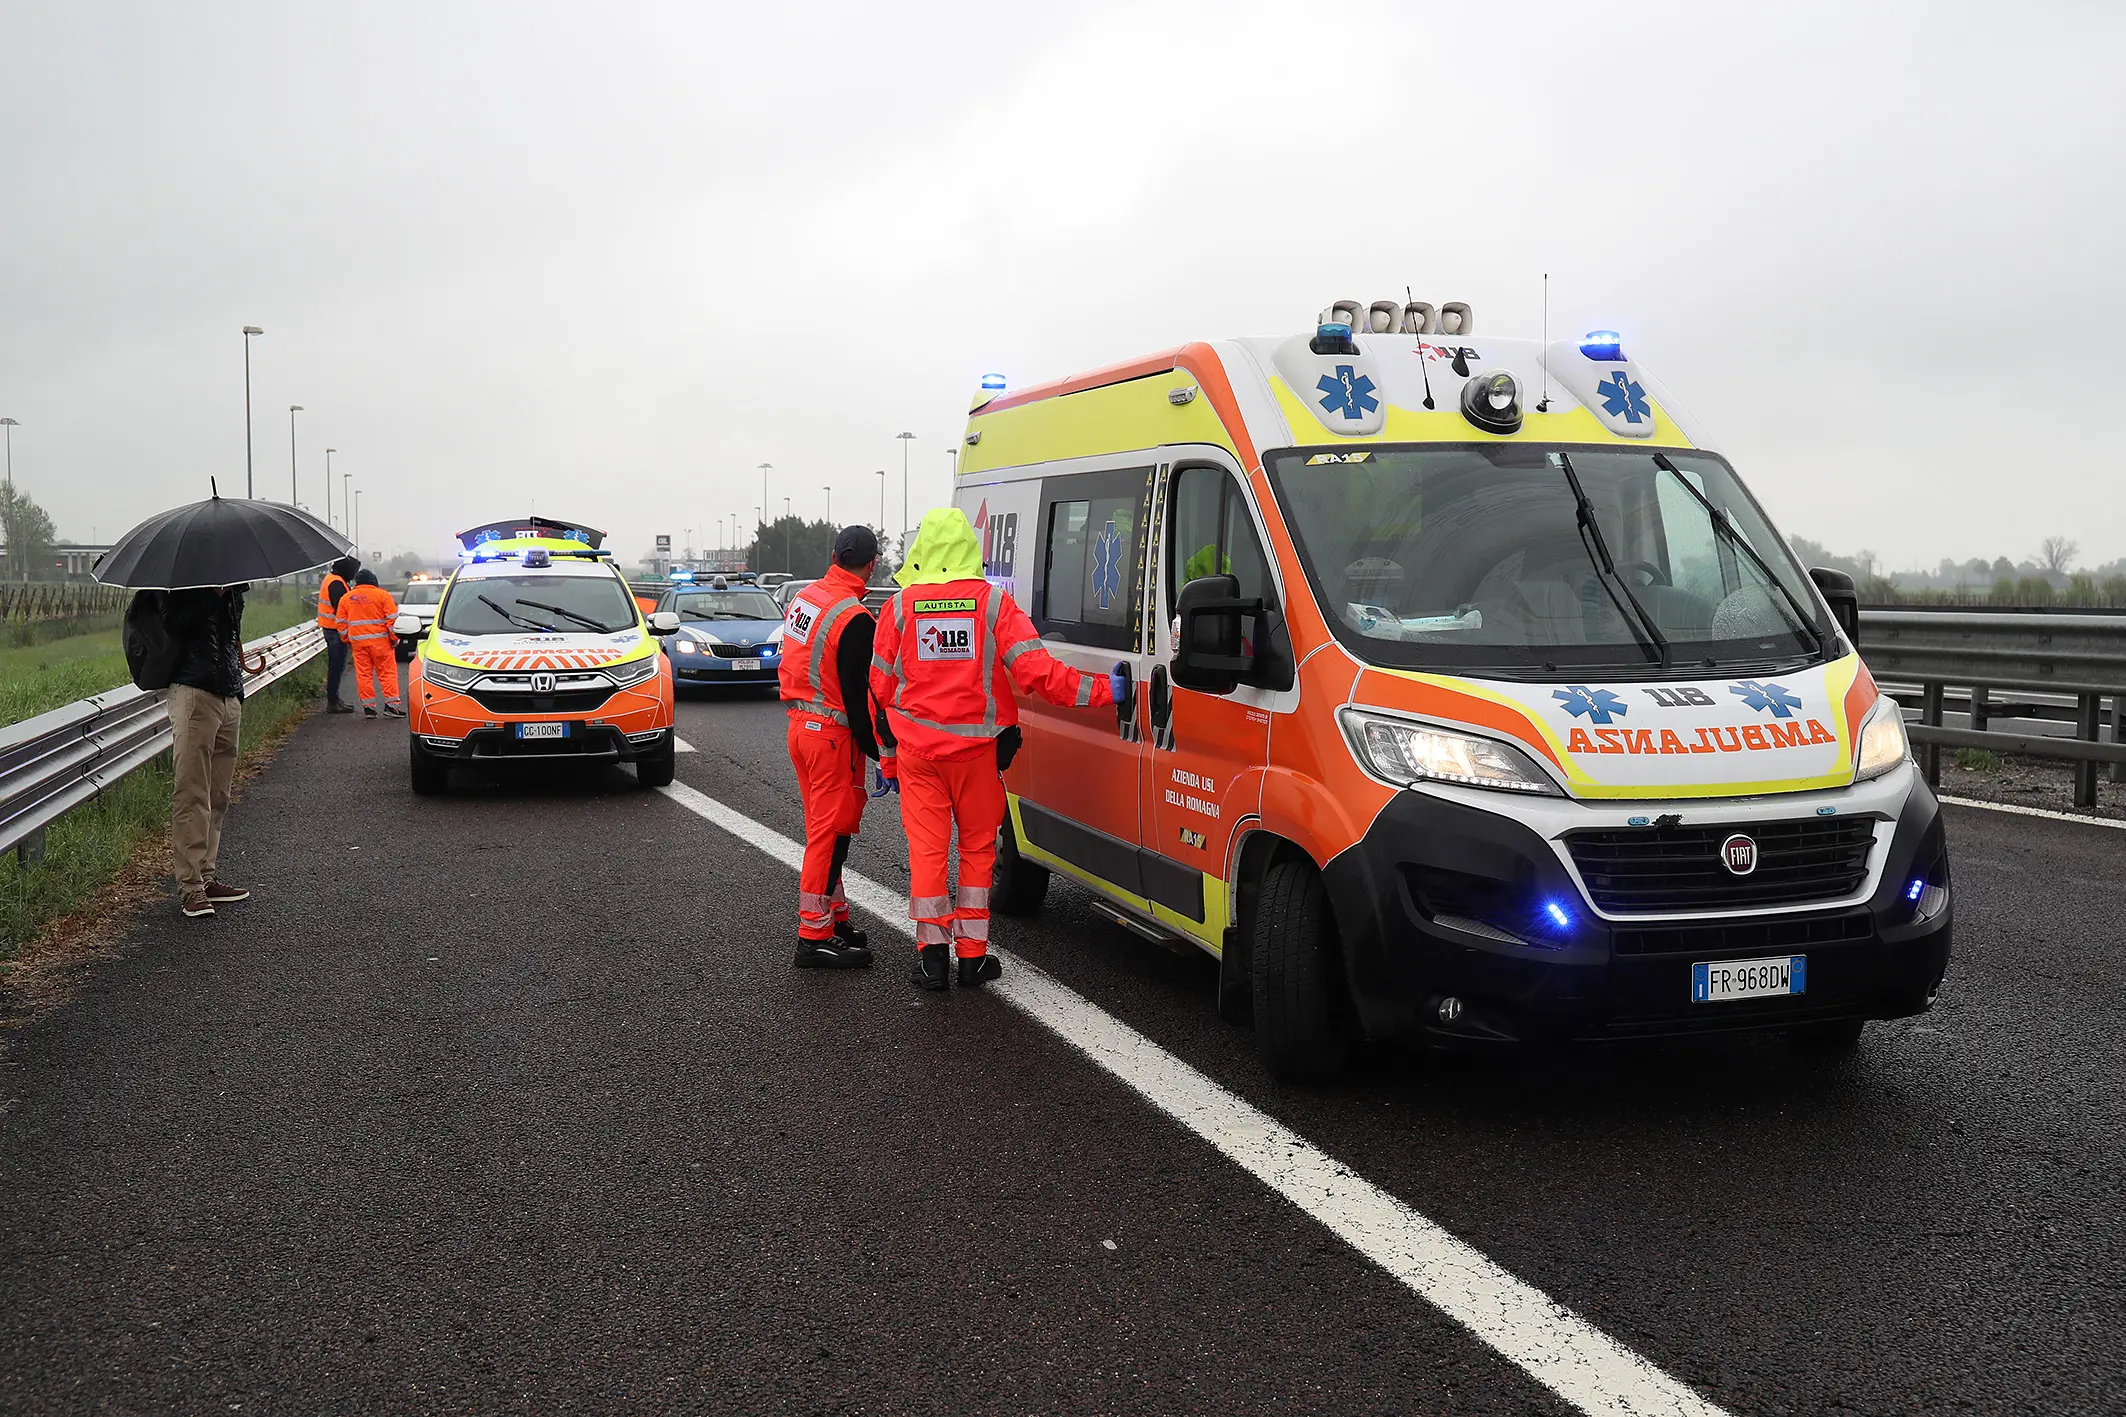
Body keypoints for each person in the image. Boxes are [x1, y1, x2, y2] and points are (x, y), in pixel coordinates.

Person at [870, 507, 1126, 991]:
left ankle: (932, 959)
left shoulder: (899, 607)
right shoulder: (992, 605)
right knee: (977, 851)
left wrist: (885, 756)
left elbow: (877, 688)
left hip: (918, 756)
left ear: (923, 550)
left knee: (927, 853)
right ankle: (972, 958)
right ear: (970, 548)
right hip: (976, 756)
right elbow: (1038, 674)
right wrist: (1103, 692)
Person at [779, 526, 886, 970]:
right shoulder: (856, 618)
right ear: (872, 564)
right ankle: (812, 936)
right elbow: (861, 697)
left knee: (827, 830)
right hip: (831, 737)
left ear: (834, 555)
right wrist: (882, 750)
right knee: (829, 835)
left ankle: (833, 917)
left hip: (801, 728)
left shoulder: (806, 598)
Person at [164, 583, 251, 918]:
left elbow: (230, 636)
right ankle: (191, 885)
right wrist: (210, 596)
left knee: (219, 793)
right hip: (194, 689)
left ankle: (207, 873)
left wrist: (232, 593)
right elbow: (173, 626)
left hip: (229, 692)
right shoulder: (178, 585)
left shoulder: (233, 586)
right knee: (192, 791)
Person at [338, 570, 404, 718]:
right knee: (387, 674)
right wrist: (395, 639)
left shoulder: (346, 598)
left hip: (358, 644)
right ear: (374, 581)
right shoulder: (383, 595)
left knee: (363, 675)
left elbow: (341, 624)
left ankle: (369, 708)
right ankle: (391, 706)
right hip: (381, 643)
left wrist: (347, 640)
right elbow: (392, 620)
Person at [316, 556, 358, 714]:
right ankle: (333, 702)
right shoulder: (336, 583)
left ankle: (334, 700)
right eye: (354, 571)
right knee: (336, 666)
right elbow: (341, 608)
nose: (354, 575)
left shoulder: (333, 579)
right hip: (335, 630)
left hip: (331, 628)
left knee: (336, 666)